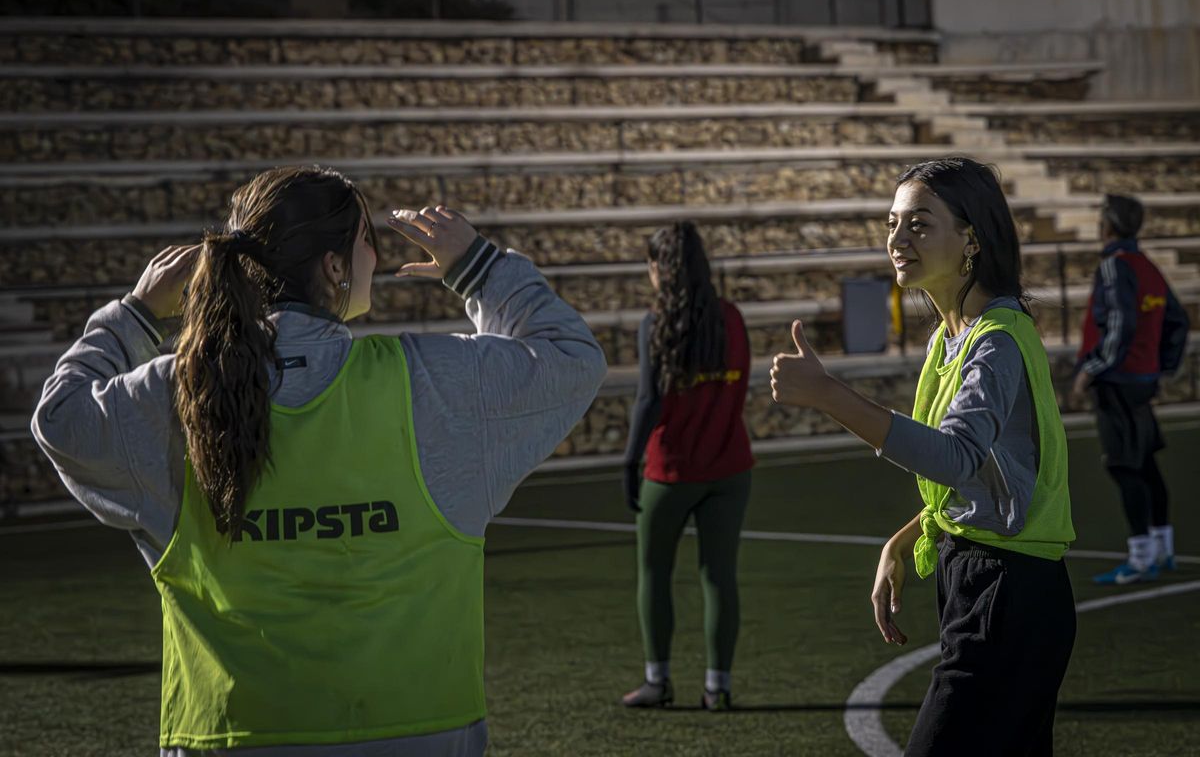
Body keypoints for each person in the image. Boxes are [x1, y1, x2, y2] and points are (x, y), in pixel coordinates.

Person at [31, 165, 607, 756]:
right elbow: (568, 358)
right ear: (334, 267)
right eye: (366, 244)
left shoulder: (177, 395)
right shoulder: (431, 383)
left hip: (230, 733)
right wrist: (478, 268)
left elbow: (60, 418)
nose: (375, 261)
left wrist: (136, 314)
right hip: (419, 730)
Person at [771, 158, 1076, 755]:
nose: (897, 239)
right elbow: (983, 475)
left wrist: (830, 395)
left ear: (970, 239)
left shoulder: (997, 342)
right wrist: (907, 536)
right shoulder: (950, 338)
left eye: (918, 224)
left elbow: (958, 456)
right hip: (983, 585)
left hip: (1008, 596)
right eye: (892, 224)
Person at [619, 222, 754, 712]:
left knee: (653, 571)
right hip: (730, 466)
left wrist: (630, 459)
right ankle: (718, 687)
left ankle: (658, 680)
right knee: (719, 577)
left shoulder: (654, 324)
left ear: (660, 268)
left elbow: (648, 401)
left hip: (671, 470)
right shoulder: (733, 318)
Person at [1072, 193, 1190, 585]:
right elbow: (1178, 320)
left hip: (1116, 383)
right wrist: (1163, 367)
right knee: (1146, 464)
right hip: (1141, 381)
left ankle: (1140, 557)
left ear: (1107, 226)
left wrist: (1091, 369)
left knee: (1124, 467)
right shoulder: (1147, 266)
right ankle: (1163, 548)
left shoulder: (1114, 266)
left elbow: (1119, 325)